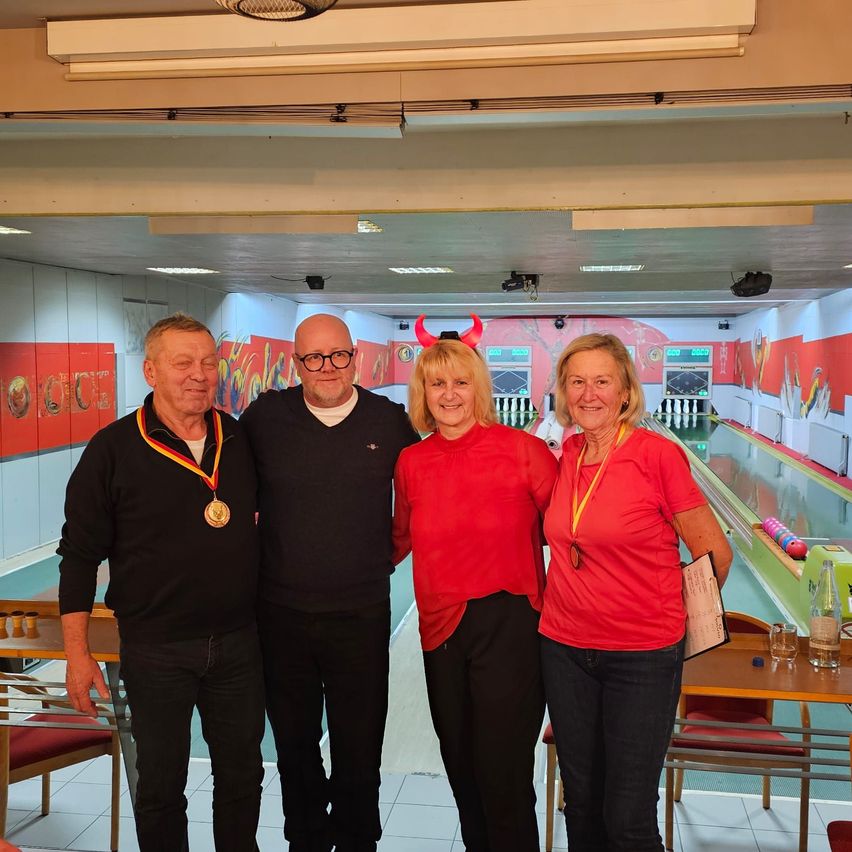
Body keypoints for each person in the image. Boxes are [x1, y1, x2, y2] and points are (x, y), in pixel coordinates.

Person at [57, 314, 265, 852]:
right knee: (162, 788)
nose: (199, 375)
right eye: (182, 363)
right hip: (156, 649)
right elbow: (78, 558)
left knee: (243, 778)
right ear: (151, 371)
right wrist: (77, 656)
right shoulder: (111, 451)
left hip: (240, 644)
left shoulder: (240, 438)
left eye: (208, 362)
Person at [539, 332, 733, 852]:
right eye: (577, 381)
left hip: (642, 658)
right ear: (563, 390)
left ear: (625, 391)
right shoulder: (568, 453)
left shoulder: (658, 456)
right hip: (563, 649)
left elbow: (716, 553)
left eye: (602, 381)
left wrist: (676, 631)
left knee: (627, 818)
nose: (588, 393)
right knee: (579, 804)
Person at [239, 313, 419, 852]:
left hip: (361, 614)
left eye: (338, 355)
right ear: (297, 364)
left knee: (359, 751)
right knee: (294, 750)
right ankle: (307, 843)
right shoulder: (265, 419)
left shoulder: (388, 421)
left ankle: (360, 842)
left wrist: (382, 559)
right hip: (280, 615)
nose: (327, 368)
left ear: (354, 358)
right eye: (314, 358)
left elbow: (423, 498)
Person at [392, 332, 558, 852]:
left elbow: (577, 530)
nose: (448, 393)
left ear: (478, 387)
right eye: (435, 382)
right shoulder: (411, 463)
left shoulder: (524, 452)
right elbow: (395, 542)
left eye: (460, 382)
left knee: (502, 777)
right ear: (422, 391)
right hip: (440, 629)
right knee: (462, 770)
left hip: (510, 624)